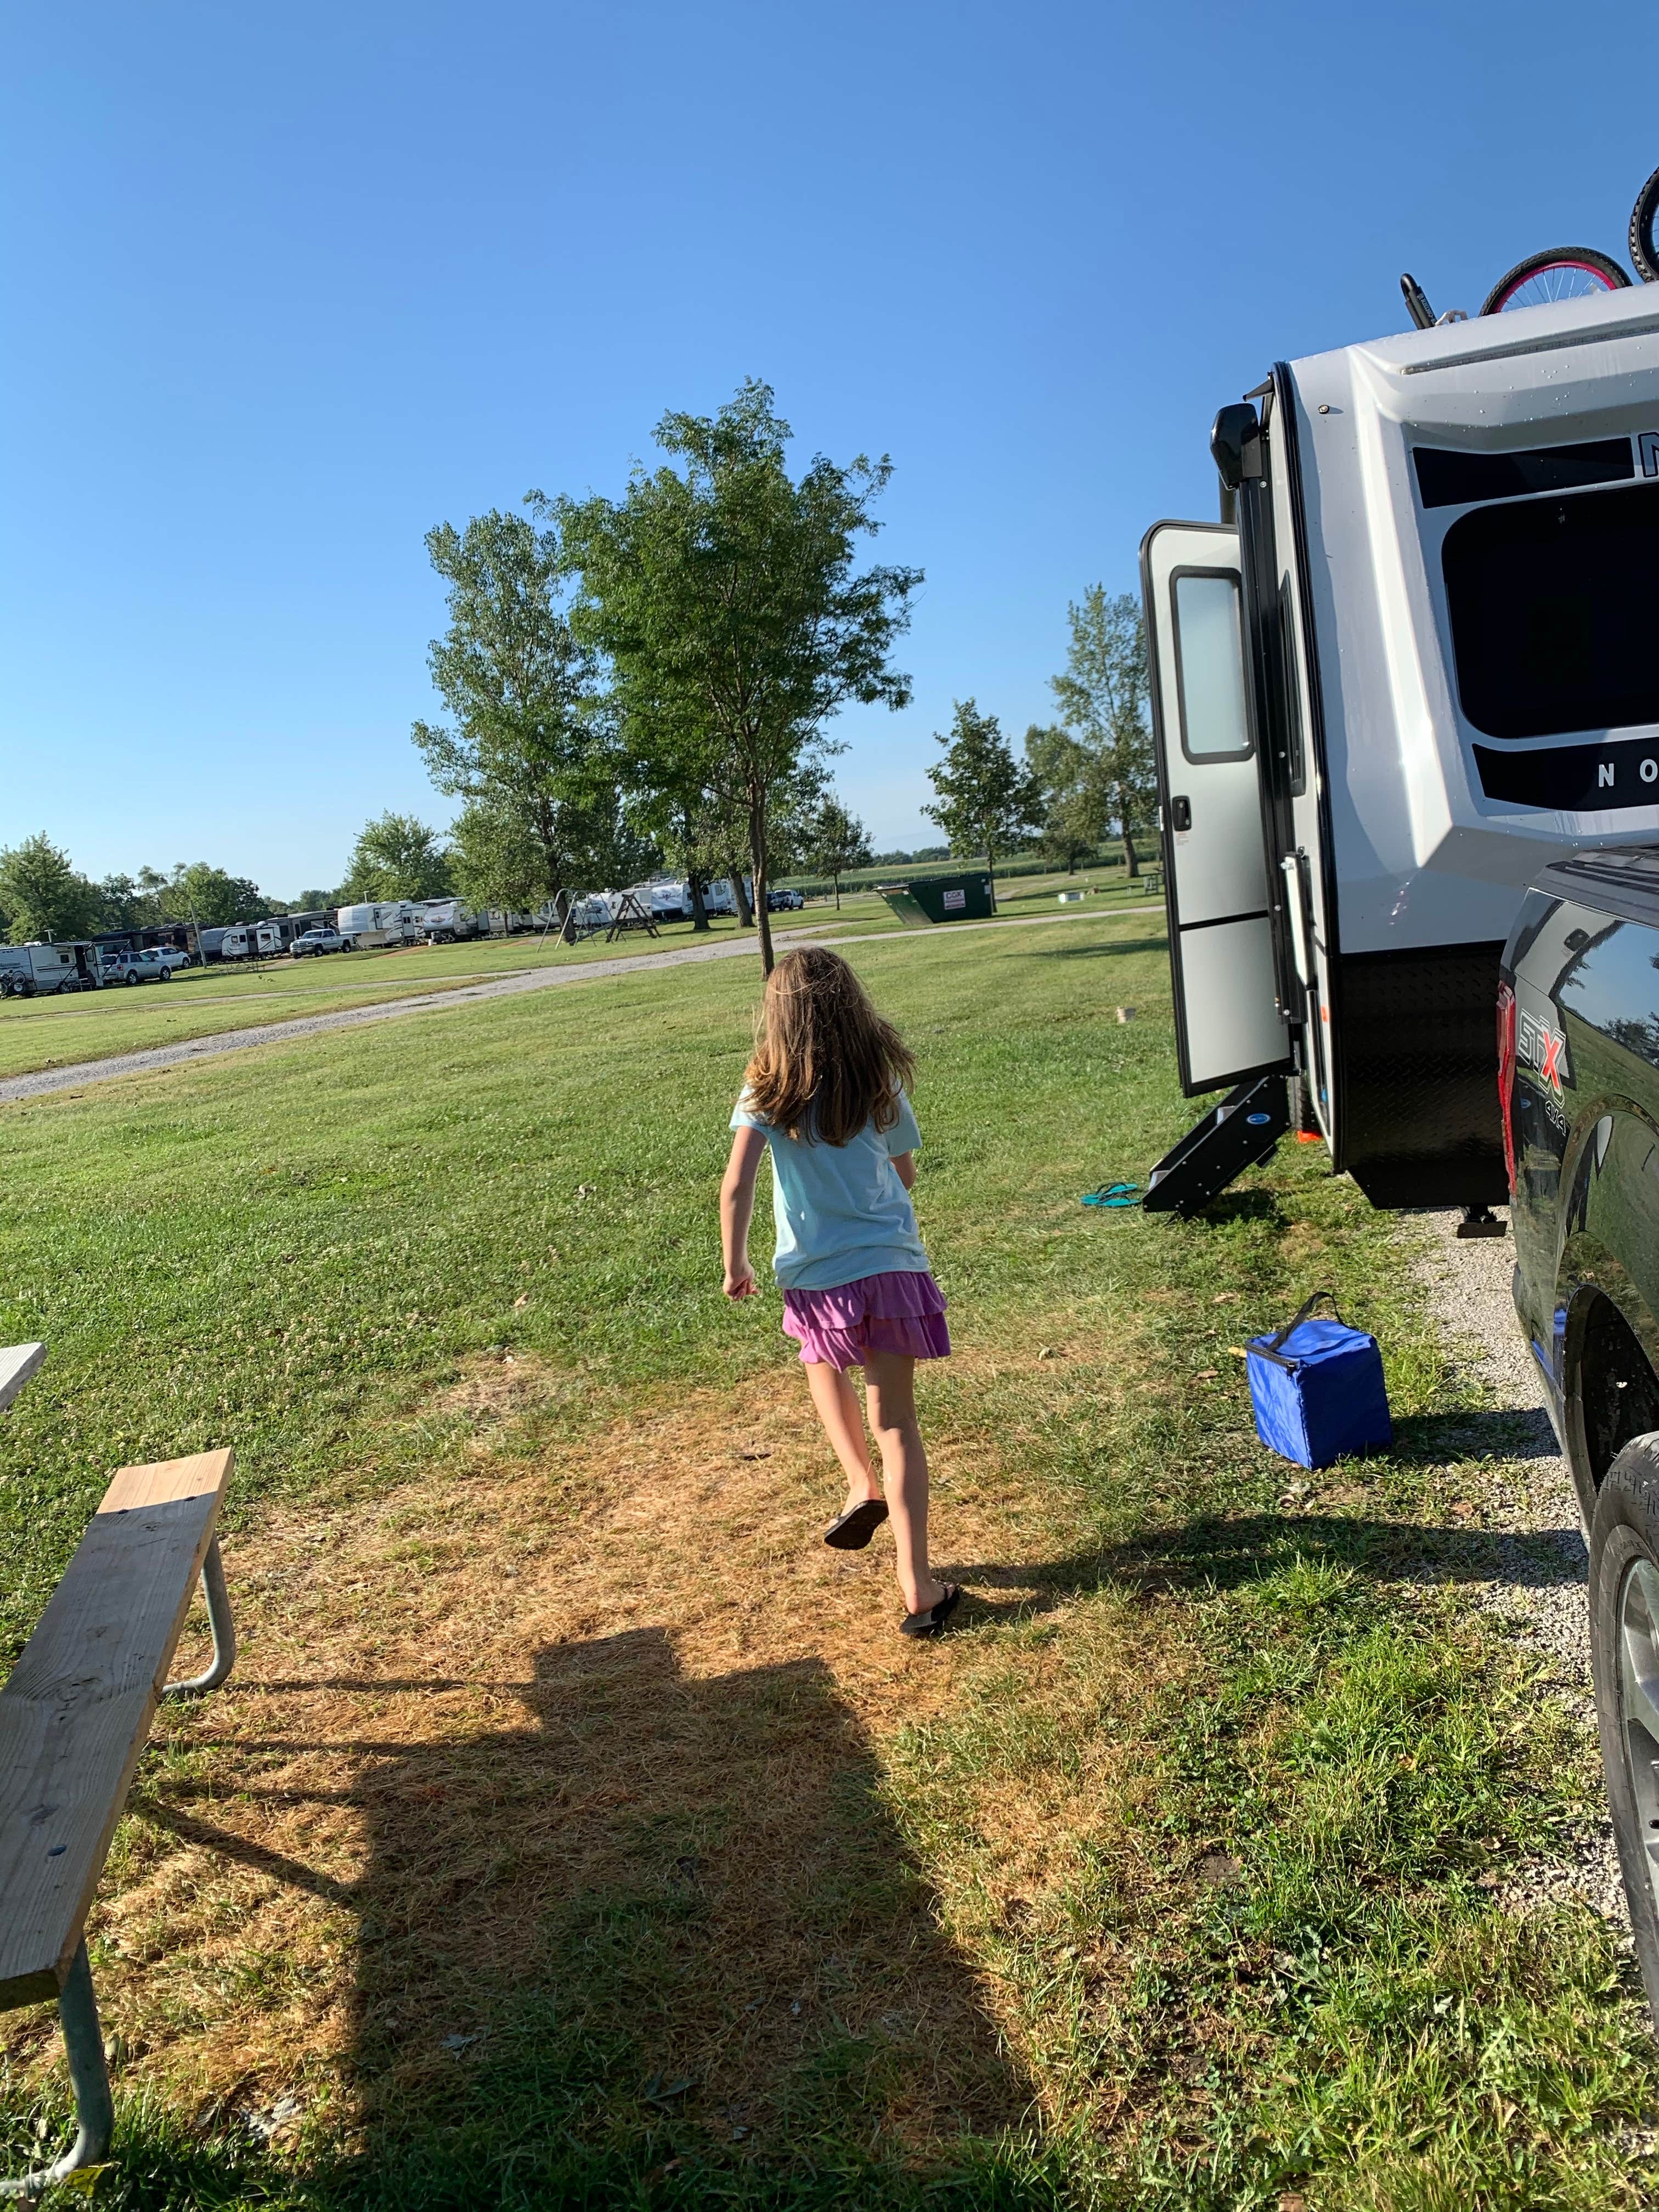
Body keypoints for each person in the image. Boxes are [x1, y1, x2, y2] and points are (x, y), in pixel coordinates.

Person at [720, 947, 959, 1637]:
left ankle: (859, 1483)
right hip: (891, 1265)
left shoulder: (766, 1084)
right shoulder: (877, 1076)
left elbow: (736, 1184)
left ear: (778, 1015)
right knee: (898, 1425)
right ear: (853, 1005)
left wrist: (735, 1263)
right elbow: (905, 1172)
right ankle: (918, 1587)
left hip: (815, 1272)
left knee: (820, 1362)